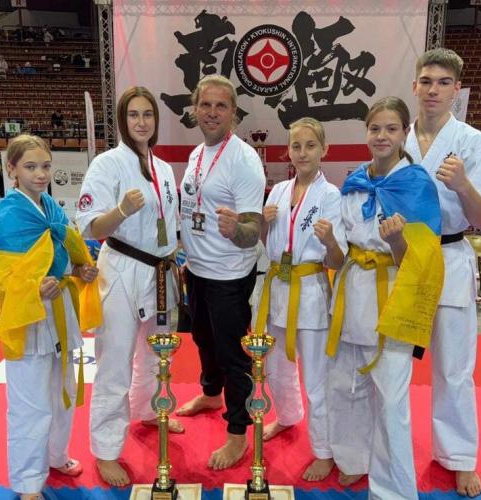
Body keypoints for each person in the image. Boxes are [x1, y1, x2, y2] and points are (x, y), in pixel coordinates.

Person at [326, 97, 445, 499]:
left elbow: (422, 259)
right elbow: (343, 244)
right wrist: (330, 244)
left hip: (393, 293)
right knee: (347, 385)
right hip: (351, 290)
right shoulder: (354, 181)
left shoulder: (416, 184)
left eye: (391, 129)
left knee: (391, 399)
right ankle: (353, 458)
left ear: (404, 133)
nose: (382, 136)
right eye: (375, 128)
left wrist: (396, 241)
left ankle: (393, 490)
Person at [404, 48, 481, 498]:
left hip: (448, 256)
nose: (433, 90)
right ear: (414, 86)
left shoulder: (473, 143)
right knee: (389, 364)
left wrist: (463, 185)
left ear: (456, 90)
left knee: (454, 367)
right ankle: (381, 444)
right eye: (426, 81)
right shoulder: (396, 137)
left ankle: (459, 457)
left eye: (443, 82)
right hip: (402, 258)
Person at [75, 87, 180, 487]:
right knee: (116, 360)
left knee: (156, 354)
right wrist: (120, 211)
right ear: (122, 120)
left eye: (147, 115)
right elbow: (90, 226)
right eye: (133, 115)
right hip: (121, 269)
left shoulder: (164, 168)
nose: (141, 122)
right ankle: (106, 450)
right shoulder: (107, 165)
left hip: (160, 272)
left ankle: (148, 411)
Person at [0, 134, 101, 500]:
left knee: (61, 391)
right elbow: (3, 276)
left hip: (60, 308)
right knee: (30, 404)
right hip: (29, 316)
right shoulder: (9, 215)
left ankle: (56, 455)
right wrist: (34, 288)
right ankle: (27, 481)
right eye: (30, 166)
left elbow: (65, 251)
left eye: (46, 166)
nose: (40, 174)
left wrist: (79, 269)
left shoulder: (51, 207)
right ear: (12, 169)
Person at [176, 75, 266, 470]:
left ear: (233, 112)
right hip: (197, 269)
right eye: (206, 105)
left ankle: (238, 432)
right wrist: (187, 256)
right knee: (202, 339)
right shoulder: (198, 154)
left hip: (229, 274)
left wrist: (236, 230)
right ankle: (212, 394)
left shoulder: (243, 160)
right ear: (195, 109)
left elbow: (252, 232)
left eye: (221, 106)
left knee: (232, 355)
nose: (212, 112)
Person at [255, 118, 345, 481]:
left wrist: (331, 242)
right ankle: (288, 415)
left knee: (317, 376)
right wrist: (263, 224)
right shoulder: (278, 191)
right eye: (296, 146)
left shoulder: (331, 196)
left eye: (310, 145)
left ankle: (324, 450)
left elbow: (337, 261)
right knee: (276, 367)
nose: (303, 153)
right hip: (278, 286)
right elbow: (268, 245)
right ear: (288, 151)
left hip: (309, 291)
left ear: (324, 150)